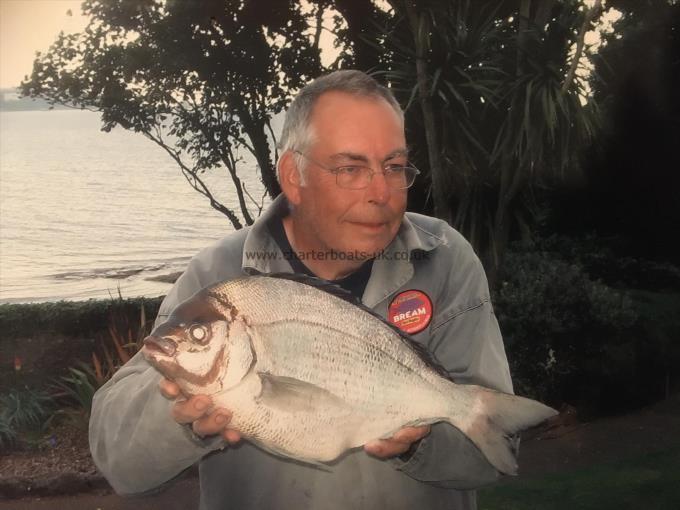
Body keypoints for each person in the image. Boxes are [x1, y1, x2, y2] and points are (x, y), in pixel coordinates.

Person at [89, 70, 514, 510]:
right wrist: (181, 417)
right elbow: (119, 462)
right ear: (294, 176)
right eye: (351, 168)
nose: (381, 192)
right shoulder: (217, 276)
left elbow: (493, 457)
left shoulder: (445, 261)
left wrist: (419, 444)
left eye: (394, 166)